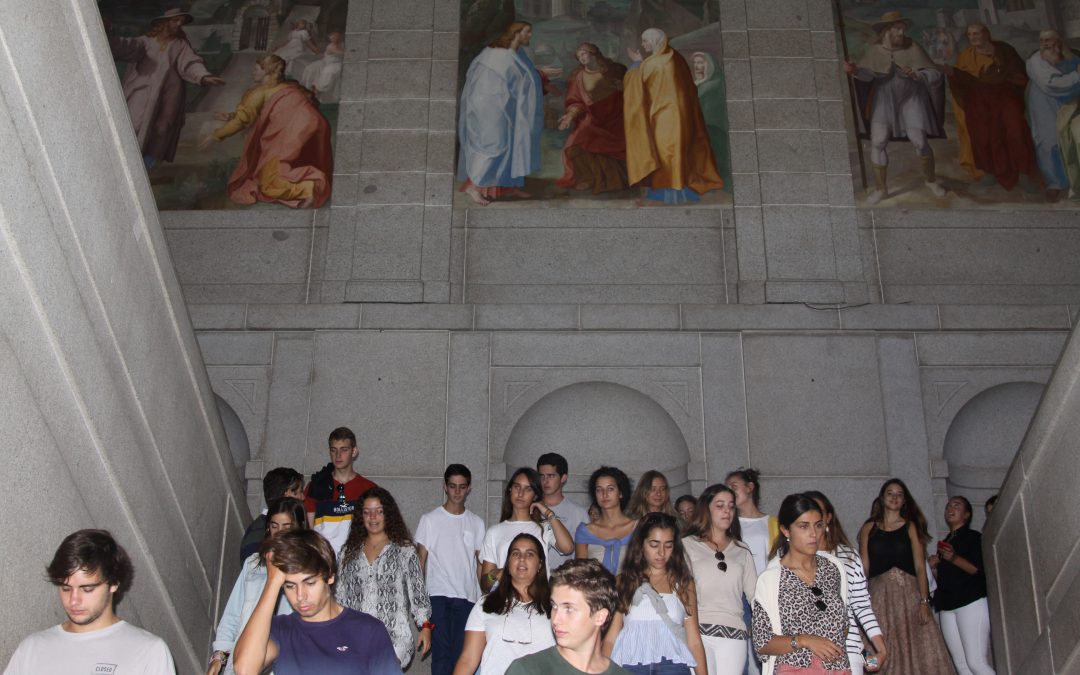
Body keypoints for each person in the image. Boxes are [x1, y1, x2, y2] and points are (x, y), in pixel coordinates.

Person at [3, 529, 175, 674]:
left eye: (87, 589)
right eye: (65, 588)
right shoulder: (31, 648)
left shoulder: (149, 651)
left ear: (113, 583)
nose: (74, 600)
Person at [232, 529, 403, 675]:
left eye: (310, 583)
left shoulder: (368, 630)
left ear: (329, 576)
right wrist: (272, 583)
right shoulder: (280, 629)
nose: (300, 596)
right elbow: (245, 670)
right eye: (290, 586)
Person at [200, 54, 333, 209]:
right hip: (312, 124)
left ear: (267, 71)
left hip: (292, 130)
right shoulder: (287, 86)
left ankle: (308, 187)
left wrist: (215, 135)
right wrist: (231, 116)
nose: (253, 72)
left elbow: (242, 121)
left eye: (256, 69)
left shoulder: (261, 92)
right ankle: (308, 187)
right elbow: (256, 114)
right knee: (285, 166)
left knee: (268, 183)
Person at [843, 12, 947, 204]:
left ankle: (931, 181)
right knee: (878, 141)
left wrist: (918, 75)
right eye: (897, 28)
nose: (901, 32)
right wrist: (855, 71)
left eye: (902, 28)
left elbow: (935, 75)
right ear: (886, 30)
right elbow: (868, 76)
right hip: (883, 100)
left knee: (919, 141)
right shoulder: (875, 50)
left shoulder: (913, 47)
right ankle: (881, 189)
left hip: (912, 98)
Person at [457, 22, 561, 206]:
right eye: (527, 32)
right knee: (495, 146)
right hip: (491, 109)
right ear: (516, 33)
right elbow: (486, 86)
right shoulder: (495, 55)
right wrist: (541, 75)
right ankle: (473, 186)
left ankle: (507, 186)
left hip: (509, 109)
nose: (530, 36)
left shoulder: (518, 54)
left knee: (512, 146)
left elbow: (522, 78)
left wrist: (540, 76)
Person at [857, 479, 955, 675]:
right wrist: (857, 599)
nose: (894, 497)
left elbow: (920, 567)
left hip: (908, 595)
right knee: (880, 643)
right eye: (890, 493)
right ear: (882, 498)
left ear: (904, 501)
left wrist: (924, 601)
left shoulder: (911, 526)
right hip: (879, 596)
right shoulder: (869, 527)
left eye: (899, 494)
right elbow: (864, 568)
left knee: (918, 646)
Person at [107, 8, 225, 169]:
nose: (179, 24)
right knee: (134, 126)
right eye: (176, 20)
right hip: (140, 94)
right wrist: (108, 35)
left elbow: (191, 63)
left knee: (161, 131)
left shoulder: (181, 45)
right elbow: (125, 46)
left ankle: (144, 170)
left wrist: (203, 76)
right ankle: (121, 165)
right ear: (164, 23)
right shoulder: (145, 42)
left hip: (168, 97)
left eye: (181, 22)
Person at [752, 494, 851, 675]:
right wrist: (805, 640)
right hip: (795, 668)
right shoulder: (771, 579)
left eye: (818, 525)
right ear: (786, 530)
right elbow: (762, 642)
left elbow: (844, 625)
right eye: (803, 526)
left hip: (837, 668)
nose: (813, 534)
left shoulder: (833, 568)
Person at [623, 28, 725, 204]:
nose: (643, 44)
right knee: (674, 152)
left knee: (665, 153)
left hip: (663, 118)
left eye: (646, 41)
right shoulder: (676, 58)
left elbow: (636, 88)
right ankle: (677, 188)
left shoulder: (652, 63)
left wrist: (636, 64)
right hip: (681, 116)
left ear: (654, 41)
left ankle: (670, 191)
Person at [209, 497, 307, 675]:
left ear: (299, 527)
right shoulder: (253, 563)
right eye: (274, 525)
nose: (279, 533)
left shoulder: (309, 569)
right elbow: (232, 616)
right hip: (243, 660)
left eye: (287, 526)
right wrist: (218, 658)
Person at [337, 487, 433, 668]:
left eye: (379, 511)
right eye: (367, 512)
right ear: (361, 517)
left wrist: (426, 627)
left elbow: (418, 592)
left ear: (388, 514)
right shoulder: (347, 553)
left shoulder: (405, 550)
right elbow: (339, 597)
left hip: (394, 635)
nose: (373, 517)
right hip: (355, 635)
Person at [604, 513, 707, 675]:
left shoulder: (684, 583)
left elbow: (694, 640)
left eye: (668, 545)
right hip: (631, 664)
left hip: (673, 665)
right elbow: (611, 637)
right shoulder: (624, 581)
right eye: (654, 544)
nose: (661, 552)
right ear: (641, 544)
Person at [946, 23, 1039, 192]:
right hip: (980, 102)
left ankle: (1024, 174)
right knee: (983, 136)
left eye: (977, 34)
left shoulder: (1003, 49)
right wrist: (951, 73)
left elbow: (1018, 72)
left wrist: (998, 69)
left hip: (1005, 97)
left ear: (986, 34)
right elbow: (962, 80)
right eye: (970, 35)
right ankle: (990, 172)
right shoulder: (965, 56)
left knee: (1016, 131)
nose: (973, 37)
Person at [803, 491, 886, 675]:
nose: (814, 520)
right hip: (807, 652)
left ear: (828, 518)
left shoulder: (848, 556)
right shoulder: (790, 559)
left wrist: (880, 648)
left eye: (819, 513)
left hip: (848, 650)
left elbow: (861, 605)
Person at [416, 464, 487, 675]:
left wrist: (485, 597)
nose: (457, 492)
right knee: (440, 656)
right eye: (453, 486)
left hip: (467, 597)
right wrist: (419, 600)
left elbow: (480, 565)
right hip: (437, 596)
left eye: (462, 487)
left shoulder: (476, 523)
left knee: (462, 656)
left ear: (469, 488)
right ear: (445, 487)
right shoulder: (429, 520)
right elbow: (420, 562)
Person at [505, 559, 630, 675]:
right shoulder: (527, 670)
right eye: (554, 606)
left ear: (600, 617)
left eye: (569, 609)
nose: (555, 619)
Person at [453, 533, 555, 675]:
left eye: (530, 554)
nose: (521, 558)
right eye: (515, 553)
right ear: (508, 563)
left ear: (540, 564)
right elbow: (468, 660)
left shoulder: (555, 606)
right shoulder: (485, 604)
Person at [682, 485, 758, 675]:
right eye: (720, 505)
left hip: (734, 632)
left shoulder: (742, 550)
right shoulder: (687, 545)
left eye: (731, 506)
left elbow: (756, 597)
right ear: (706, 509)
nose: (727, 511)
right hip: (697, 633)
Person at [930, 497, 995, 675]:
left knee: (976, 662)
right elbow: (943, 579)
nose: (951, 508)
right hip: (948, 605)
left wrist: (953, 558)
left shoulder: (973, 537)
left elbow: (977, 569)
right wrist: (935, 567)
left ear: (966, 515)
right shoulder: (946, 542)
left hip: (971, 601)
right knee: (962, 666)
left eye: (957, 505)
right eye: (949, 505)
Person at [480, 468, 574, 591]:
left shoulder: (543, 528)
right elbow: (485, 584)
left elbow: (568, 548)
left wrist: (548, 513)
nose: (520, 493)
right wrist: (496, 574)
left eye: (528, 489)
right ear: (510, 490)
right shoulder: (494, 532)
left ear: (535, 495)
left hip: (537, 600)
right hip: (505, 600)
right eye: (517, 487)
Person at [556, 42, 629, 194]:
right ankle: (588, 178)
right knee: (574, 145)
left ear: (594, 53)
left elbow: (632, 88)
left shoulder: (616, 69)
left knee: (610, 145)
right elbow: (576, 101)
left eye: (584, 54)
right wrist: (570, 115)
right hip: (593, 115)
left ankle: (614, 180)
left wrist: (624, 87)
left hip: (617, 116)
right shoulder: (578, 76)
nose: (581, 58)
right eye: (579, 56)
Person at [725, 468, 776, 675]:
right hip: (739, 598)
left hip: (766, 595)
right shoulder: (727, 525)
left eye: (733, 487)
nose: (729, 492)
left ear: (750, 488)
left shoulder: (773, 523)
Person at [301, 427, 377, 555]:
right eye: (333, 450)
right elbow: (308, 530)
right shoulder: (316, 487)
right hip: (323, 560)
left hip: (358, 560)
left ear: (354, 452)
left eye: (344, 450)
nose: (338, 455)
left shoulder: (369, 488)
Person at [1025, 31, 1080, 202]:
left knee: (1071, 141)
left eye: (1048, 39)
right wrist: (1077, 76)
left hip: (1070, 105)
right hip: (1044, 105)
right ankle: (1055, 184)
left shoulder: (1073, 57)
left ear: (1059, 41)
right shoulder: (1036, 60)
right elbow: (1051, 85)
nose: (1044, 44)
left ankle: (1075, 183)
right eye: (1041, 40)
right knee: (1048, 143)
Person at [576, 466, 638, 574]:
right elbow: (581, 573)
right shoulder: (585, 531)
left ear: (621, 493)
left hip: (630, 589)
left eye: (610, 489)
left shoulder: (637, 528)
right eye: (599, 490)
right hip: (596, 589)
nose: (604, 494)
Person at [537, 452, 590, 571]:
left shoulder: (578, 512)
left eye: (551, 476)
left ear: (563, 478)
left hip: (565, 579)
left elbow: (586, 553)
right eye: (542, 476)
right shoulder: (531, 508)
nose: (545, 481)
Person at [240, 467, 305, 561]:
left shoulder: (261, 528)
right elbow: (255, 574)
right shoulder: (258, 535)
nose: (303, 497)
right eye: (299, 492)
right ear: (287, 495)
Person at [691, 51, 732, 190]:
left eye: (700, 62)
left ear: (709, 64)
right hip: (699, 125)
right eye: (695, 63)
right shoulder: (696, 83)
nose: (697, 66)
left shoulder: (715, 83)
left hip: (713, 127)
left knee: (715, 156)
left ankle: (717, 183)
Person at [301, 32, 345, 102]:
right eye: (332, 38)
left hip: (336, 63)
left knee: (328, 72)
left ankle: (319, 90)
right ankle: (310, 89)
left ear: (339, 37)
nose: (333, 39)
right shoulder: (330, 46)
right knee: (311, 68)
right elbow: (338, 52)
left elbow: (342, 53)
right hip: (326, 61)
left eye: (335, 37)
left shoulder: (342, 44)